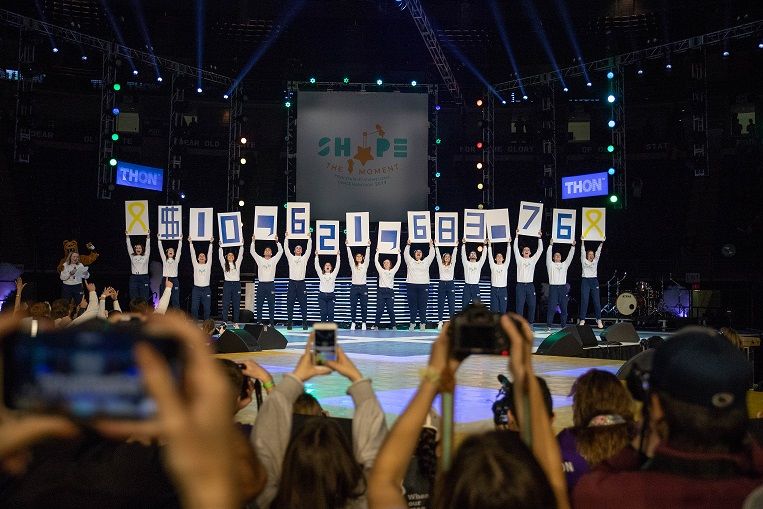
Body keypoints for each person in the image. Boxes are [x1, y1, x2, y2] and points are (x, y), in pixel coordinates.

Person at [368, 315, 569, 509]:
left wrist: (435, 375)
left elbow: (384, 480)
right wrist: (523, 369)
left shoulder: (444, 498)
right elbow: (553, 473)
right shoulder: (552, 494)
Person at [573, 327, 760, 508]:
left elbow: (592, 481)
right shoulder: (753, 488)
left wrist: (637, 441)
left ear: (656, 408)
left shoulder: (609, 495)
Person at [251, 335, 387, 509]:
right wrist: (356, 376)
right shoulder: (366, 501)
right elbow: (374, 454)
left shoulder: (269, 500)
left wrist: (295, 377)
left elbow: (265, 444)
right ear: (345, 463)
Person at [557, 369, 636, 493]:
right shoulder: (639, 438)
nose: (572, 406)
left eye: (575, 400)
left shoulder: (565, 441)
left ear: (580, 405)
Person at [250, 235, 283, 326]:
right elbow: (252, 251)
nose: (267, 251)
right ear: (264, 253)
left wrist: (277, 242)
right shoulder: (260, 260)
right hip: (261, 285)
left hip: (270, 285)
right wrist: (253, 241)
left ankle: (271, 323)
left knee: (271, 305)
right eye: (266, 250)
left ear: (271, 253)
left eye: (269, 250)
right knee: (259, 304)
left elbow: (281, 251)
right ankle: (259, 321)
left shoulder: (274, 260)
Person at [404, 240, 435, 330]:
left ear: (422, 254)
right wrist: (408, 245)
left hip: (423, 285)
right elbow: (406, 254)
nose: (418, 253)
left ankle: (422, 324)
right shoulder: (410, 262)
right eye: (417, 252)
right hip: (411, 286)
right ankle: (412, 324)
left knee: (422, 306)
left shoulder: (426, 262)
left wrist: (431, 246)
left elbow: (432, 255)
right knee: (412, 306)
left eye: (420, 252)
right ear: (414, 254)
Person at [513, 230, 543, 324]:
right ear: (522, 253)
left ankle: (530, 323)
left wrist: (540, 238)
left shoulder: (533, 260)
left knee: (532, 305)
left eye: (528, 250)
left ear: (530, 253)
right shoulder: (519, 259)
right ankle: (519, 324)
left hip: (530, 285)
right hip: (520, 286)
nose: (526, 251)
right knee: (519, 306)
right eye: (524, 250)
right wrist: (517, 236)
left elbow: (540, 250)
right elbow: (515, 248)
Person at [285, 233, 313, 330]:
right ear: (294, 250)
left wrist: (309, 238)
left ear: (302, 250)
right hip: (292, 283)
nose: (298, 249)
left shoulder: (304, 258)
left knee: (303, 304)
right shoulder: (291, 258)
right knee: (290, 304)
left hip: (301, 283)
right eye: (297, 248)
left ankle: (304, 323)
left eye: (300, 248)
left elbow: (309, 249)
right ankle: (289, 322)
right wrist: (286, 237)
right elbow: (286, 249)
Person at [546, 240, 575, 330]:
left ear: (561, 258)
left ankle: (563, 326)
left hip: (562, 288)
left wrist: (573, 247)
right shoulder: (550, 265)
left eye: (559, 255)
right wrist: (550, 245)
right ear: (554, 258)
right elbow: (548, 255)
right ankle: (549, 325)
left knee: (564, 308)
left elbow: (570, 257)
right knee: (551, 307)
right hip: (553, 288)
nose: (557, 256)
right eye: (556, 256)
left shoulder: (564, 265)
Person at [579, 240, 604, 329]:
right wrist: (582, 242)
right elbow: (582, 251)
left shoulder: (595, 261)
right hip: (585, 281)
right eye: (590, 254)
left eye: (592, 254)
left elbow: (598, 252)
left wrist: (601, 242)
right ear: (587, 255)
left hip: (594, 281)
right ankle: (582, 319)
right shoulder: (583, 260)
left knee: (596, 301)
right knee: (585, 301)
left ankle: (599, 319)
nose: (591, 255)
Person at [374, 250, 401, 330]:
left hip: (390, 292)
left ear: (390, 265)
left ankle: (394, 325)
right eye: (384, 262)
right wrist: (377, 252)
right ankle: (376, 325)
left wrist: (398, 254)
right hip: (381, 292)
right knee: (379, 309)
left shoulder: (393, 271)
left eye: (387, 262)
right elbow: (376, 261)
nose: (386, 264)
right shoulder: (381, 271)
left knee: (390, 310)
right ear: (383, 265)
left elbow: (398, 263)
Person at [348, 240, 372, 330]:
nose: (358, 257)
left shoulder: (365, 265)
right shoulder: (353, 266)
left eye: (360, 256)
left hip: (363, 288)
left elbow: (368, 257)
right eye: (357, 256)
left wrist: (368, 247)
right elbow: (349, 257)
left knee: (364, 306)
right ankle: (353, 322)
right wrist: (348, 246)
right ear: (355, 258)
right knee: (353, 306)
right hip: (354, 287)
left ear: (362, 257)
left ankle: (364, 323)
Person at [219, 242, 244, 322]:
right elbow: (220, 257)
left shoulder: (237, 264)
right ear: (226, 257)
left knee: (236, 304)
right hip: (227, 284)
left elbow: (241, 255)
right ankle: (225, 321)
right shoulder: (224, 264)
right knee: (225, 304)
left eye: (232, 255)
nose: (231, 256)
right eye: (229, 255)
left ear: (234, 257)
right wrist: (220, 247)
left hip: (236, 285)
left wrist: (241, 245)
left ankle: (236, 321)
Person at [189, 238, 214, 320]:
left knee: (207, 309)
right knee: (194, 308)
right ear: (198, 258)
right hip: (196, 289)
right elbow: (192, 254)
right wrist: (190, 243)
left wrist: (211, 243)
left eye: (203, 256)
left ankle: (206, 325)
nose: (202, 257)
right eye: (200, 256)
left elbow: (210, 254)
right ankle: (194, 325)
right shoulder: (195, 265)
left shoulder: (208, 265)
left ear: (206, 258)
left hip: (206, 289)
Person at [435, 244, 458, 328]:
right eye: (446, 256)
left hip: (450, 284)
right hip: (442, 284)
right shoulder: (440, 265)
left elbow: (454, 255)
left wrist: (455, 247)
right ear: (443, 258)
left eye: (449, 256)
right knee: (440, 303)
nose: (447, 257)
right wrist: (436, 246)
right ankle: (440, 321)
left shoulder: (452, 265)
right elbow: (437, 256)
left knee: (451, 304)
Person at [314, 252, 341, 322]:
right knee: (323, 313)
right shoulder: (321, 275)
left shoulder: (333, 275)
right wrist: (316, 256)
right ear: (324, 267)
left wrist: (338, 255)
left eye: (329, 265)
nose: (327, 266)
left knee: (330, 313)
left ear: (331, 267)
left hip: (331, 296)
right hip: (322, 296)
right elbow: (317, 266)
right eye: (326, 265)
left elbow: (338, 266)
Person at [461, 239, 487, 309]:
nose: (473, 254)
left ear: (476, 257)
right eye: (471, 254)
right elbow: (463, 254)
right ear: (469, 256)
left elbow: (484, 256)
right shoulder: (466, 263)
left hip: (475, 287)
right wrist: (463, 244)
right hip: (467, 287)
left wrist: (485, 245)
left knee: (478, 306)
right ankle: (464, 320)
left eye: (474, 254)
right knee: (464, 306)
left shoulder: (479, 264)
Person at [158, 235, 182, 308]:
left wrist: (180, 240)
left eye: (172, 250)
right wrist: (159, 240)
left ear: (174, 253)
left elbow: (179, 250)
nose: (171, 251)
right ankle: (162, 317)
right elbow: (161, 250)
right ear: (167, 253)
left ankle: (176, 317)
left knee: (175, 300)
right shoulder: (164, 260)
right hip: (165, 279)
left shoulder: (176, 260)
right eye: (169, 250)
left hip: (174, 280)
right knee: (164, 298)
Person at [126, 231, 151, 301]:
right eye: (137, 248)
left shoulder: (146, 256)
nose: (138, 249)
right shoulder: (132, 256)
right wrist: (127, 236)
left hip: (144, 277)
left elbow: (148, 247)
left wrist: (148, 236)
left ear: (142, 249)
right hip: (134, 278)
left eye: (140, 248)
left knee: (145, 297)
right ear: (135, 249)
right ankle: (134, 311)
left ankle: (144, 311)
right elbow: (129, 246)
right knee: (133, 298)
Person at [488, 239, 511, 313]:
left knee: (503, 310)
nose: (499, 257)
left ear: (503, 259)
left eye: (501, 256)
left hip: (503, 290)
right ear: (495, 259)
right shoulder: (493, 266)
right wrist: (489, 245)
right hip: (494, 289)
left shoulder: (505, 266)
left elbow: (508, 255)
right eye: (498, 256)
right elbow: (490, 256)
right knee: (494, 310)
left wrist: (508, 244)